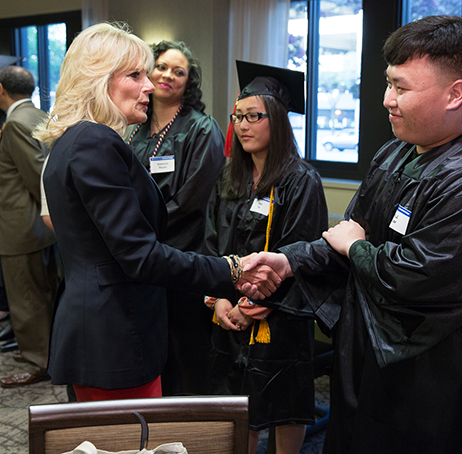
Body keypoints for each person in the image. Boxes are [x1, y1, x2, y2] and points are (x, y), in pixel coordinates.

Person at [243, 15, 462, 453]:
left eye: (402, 87)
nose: (387, 100)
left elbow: (411, 275)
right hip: (362, 361)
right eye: (389, 84)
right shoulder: (394, 154)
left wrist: (356, 246)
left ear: (456, 94)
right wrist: (289, 261)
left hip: (428, 382)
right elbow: (343, 236)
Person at [33, 22, 280, 402]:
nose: (149, 85)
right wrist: (232, 269)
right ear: (98, 80)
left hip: (103, 327)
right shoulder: (95, 141)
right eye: (135, 75)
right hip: (114, 333)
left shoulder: (75, 138)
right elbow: (140, 256)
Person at [203, 60, 328, 454]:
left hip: (280, 316)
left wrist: (255, 305)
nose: (242, 125)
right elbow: (210, 244)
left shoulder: (300, 181)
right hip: (229, 314)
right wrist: (220, 299)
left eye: (253, 116)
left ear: (276, 119)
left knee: (284, 401)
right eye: (237, 116)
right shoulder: (228, 178)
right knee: (236, 403)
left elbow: (301, 254)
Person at [127, 40, 225, 395]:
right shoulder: (134, 128)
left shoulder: (202, 128)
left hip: (183, 256)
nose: (167, 75)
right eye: (162, 67)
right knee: (154, 347)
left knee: (188, 349)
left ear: (189, 82)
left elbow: (193, 201)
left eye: (178, 71)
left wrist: (137, 232)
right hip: (142, 256)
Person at [0, 65, 59, 386]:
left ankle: (39, 361)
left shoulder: (15, 123)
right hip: (37, 227)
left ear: (1, 89)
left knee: (26, 298)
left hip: (22, 227)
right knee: (40, 293)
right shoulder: (37, 114)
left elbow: (38, 174)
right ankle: (40, 349)